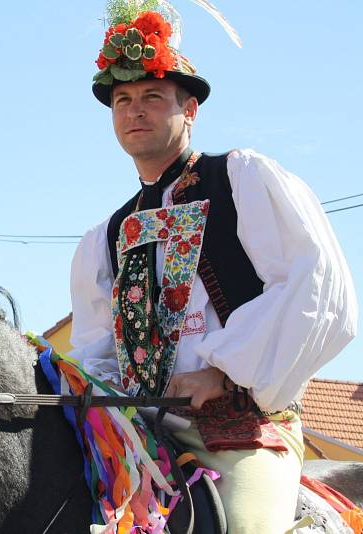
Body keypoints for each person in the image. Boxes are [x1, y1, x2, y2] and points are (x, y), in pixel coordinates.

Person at [68, 6, 358, 533]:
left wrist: (224, 373)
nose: (135, 111)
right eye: (123, 101)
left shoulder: (241, 180)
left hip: (244, 430)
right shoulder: (107, 236)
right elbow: (95, 352)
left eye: (153, 97)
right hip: (137, 439)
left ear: (190, 109)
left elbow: (317, 287)